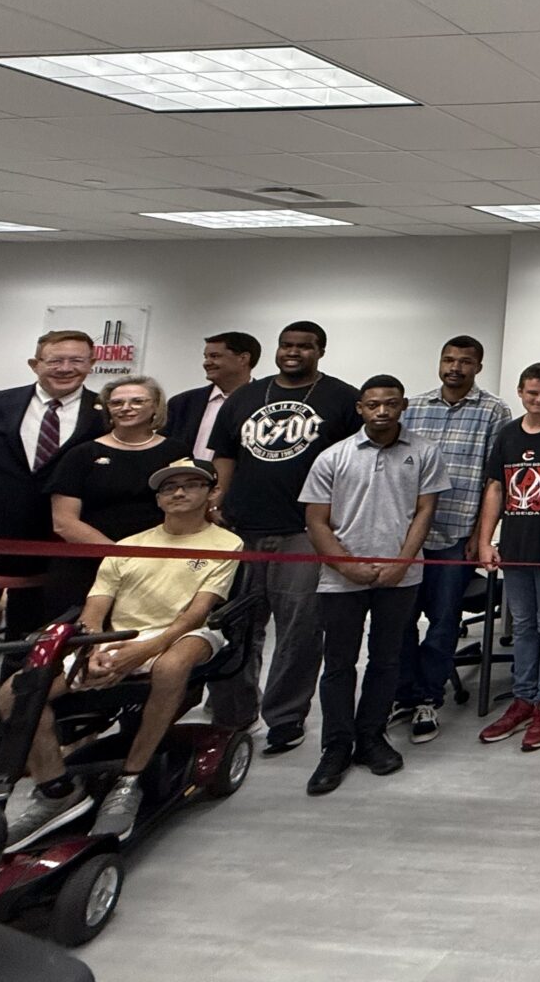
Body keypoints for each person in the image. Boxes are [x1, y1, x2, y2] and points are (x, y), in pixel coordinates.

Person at [0, 458, 241, 849]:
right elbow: (95, 609)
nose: (178, 492)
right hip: (120, 635)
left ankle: (130, 779)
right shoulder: (129, 545)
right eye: (169, 487)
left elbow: (195, 614)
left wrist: (143, 651)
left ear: (211, 492)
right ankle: (56, 790)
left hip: (186, 633)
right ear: (158, 499)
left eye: (190, 485)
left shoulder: (227, 544)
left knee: (171, 665)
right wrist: (92, 650)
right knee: (15, 693)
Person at [206, 321, 361, 756]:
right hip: (240, 530)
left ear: (320, 351)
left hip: (303, 531)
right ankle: (233, 716)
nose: (293, 352)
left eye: (304, 346)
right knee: (233, 625)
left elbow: (355, 463)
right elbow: (225, 454)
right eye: (286, 345)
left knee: (300, 630)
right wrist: (217, 499)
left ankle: (285, 717)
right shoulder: (245, 397)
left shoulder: (341, 398)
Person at [302, 376, 447, 797]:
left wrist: (403, 562)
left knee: (387, 659)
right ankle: (336, 745)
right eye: (373, 405)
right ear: (360, 408)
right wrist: (347, 566)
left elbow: (425, 512)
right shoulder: (333, 456)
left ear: (403, 406)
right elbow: (315, 521)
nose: (382, 411)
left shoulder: (424, 453)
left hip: (400, 576)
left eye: (390, 404)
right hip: (340, 579)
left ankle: (371, 736)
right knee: (339, 663)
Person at [390, 335, 509, 744]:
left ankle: (428, 697)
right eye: (449, 359)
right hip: (407, 535)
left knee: (444, 621)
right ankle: (403, 694)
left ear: (478, 367)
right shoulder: (414, 407)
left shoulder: (493, 411)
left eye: (465, 361)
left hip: (456, 534)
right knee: (401, 620)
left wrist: (481, 535)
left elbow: (494, 480)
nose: (455, 367)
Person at [0, 329, 107, 692]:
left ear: (92, 364)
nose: (65, 368)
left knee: (29, 654)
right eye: (55, 360)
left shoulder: (106, 414)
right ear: (35, 364)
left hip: (55, 551)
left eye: (76, 360)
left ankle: (8, 726)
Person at [475, 363, 540, 753]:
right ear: (520, 392)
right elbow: (496, 489)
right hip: (515, 548)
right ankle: (523, 698)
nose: (539, 400)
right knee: (522, 626)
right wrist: (485, 540)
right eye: (532, 393)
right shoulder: (507, 434)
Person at [45, 376, 173, 614]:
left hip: (154, 566)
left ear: (156, 406)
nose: (126, 408)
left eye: (137, 401)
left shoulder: (176, 451)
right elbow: (64, 522)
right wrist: (119, 557)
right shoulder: (81, 454)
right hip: (87, 566)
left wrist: (144, 560)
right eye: (116, 403)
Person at [164, 332, 259, 461]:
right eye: (206, 357)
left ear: (243, 358)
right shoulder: (182, 403)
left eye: (215, 356)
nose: (206, 363)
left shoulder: (264, 402)